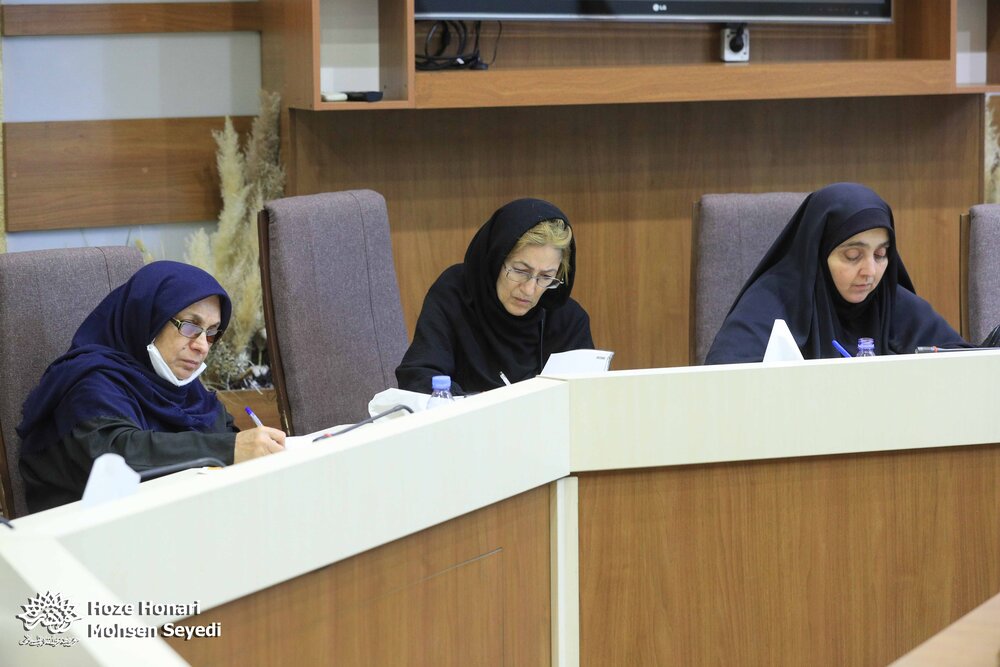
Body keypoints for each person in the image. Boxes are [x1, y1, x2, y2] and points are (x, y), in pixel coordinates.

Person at [17, 261, 286, 513]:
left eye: (212, 332)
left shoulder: (187, 390)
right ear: (147, 318)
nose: (202, 346)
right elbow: (117, 453)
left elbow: (227, 440)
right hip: (87, 535)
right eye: (190, 326)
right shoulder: (89, 383)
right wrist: (227, 449)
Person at [705, 182, 968, 364]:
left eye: (880, 254)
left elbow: (964, 363)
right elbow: (724, 379)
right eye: (853, 256)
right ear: (818, 253)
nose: (870, 271)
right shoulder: (772, 302)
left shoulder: (891, 301)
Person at [396, 198, 594, 395]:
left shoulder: (568, 321)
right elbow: (419, 377)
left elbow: (587, 397)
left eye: (546, 277)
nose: (529, 290)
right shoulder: (454, 295)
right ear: (495, 260)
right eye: (520, 271)